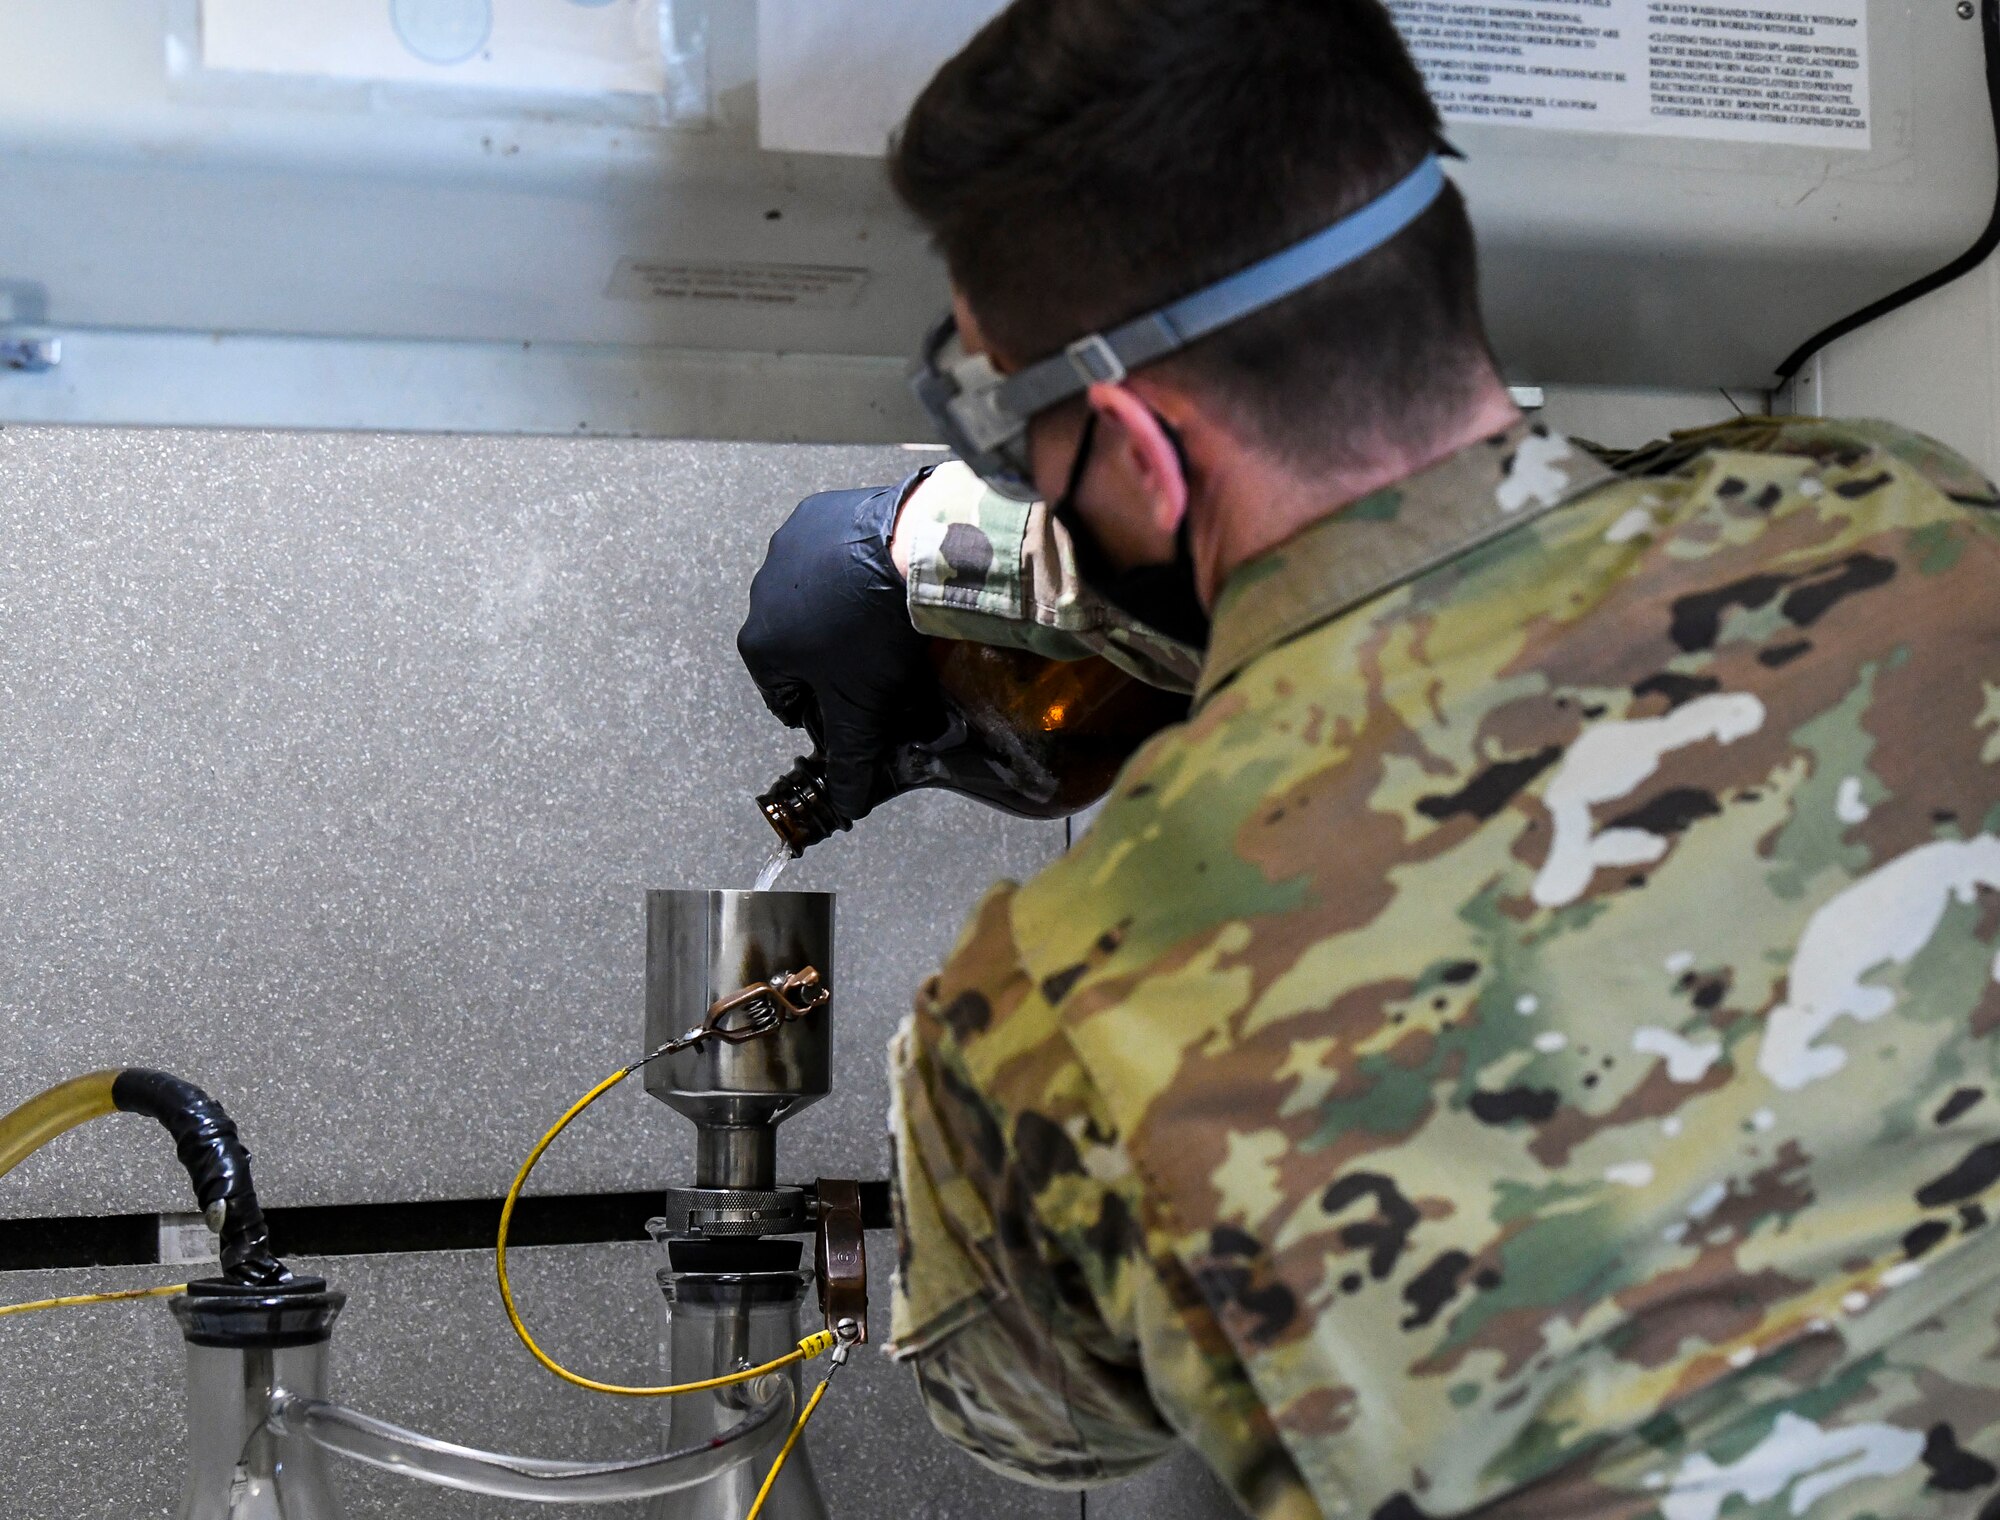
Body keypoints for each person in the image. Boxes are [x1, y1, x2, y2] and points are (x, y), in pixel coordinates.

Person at [736, 1, 2000, 1514]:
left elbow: (1039, 1426)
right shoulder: (1908, 518)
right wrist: (939, 548)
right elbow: (1466, 566)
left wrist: (918, 548)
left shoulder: (1048, 1020)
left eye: (1018, 436)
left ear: (1138, 448)